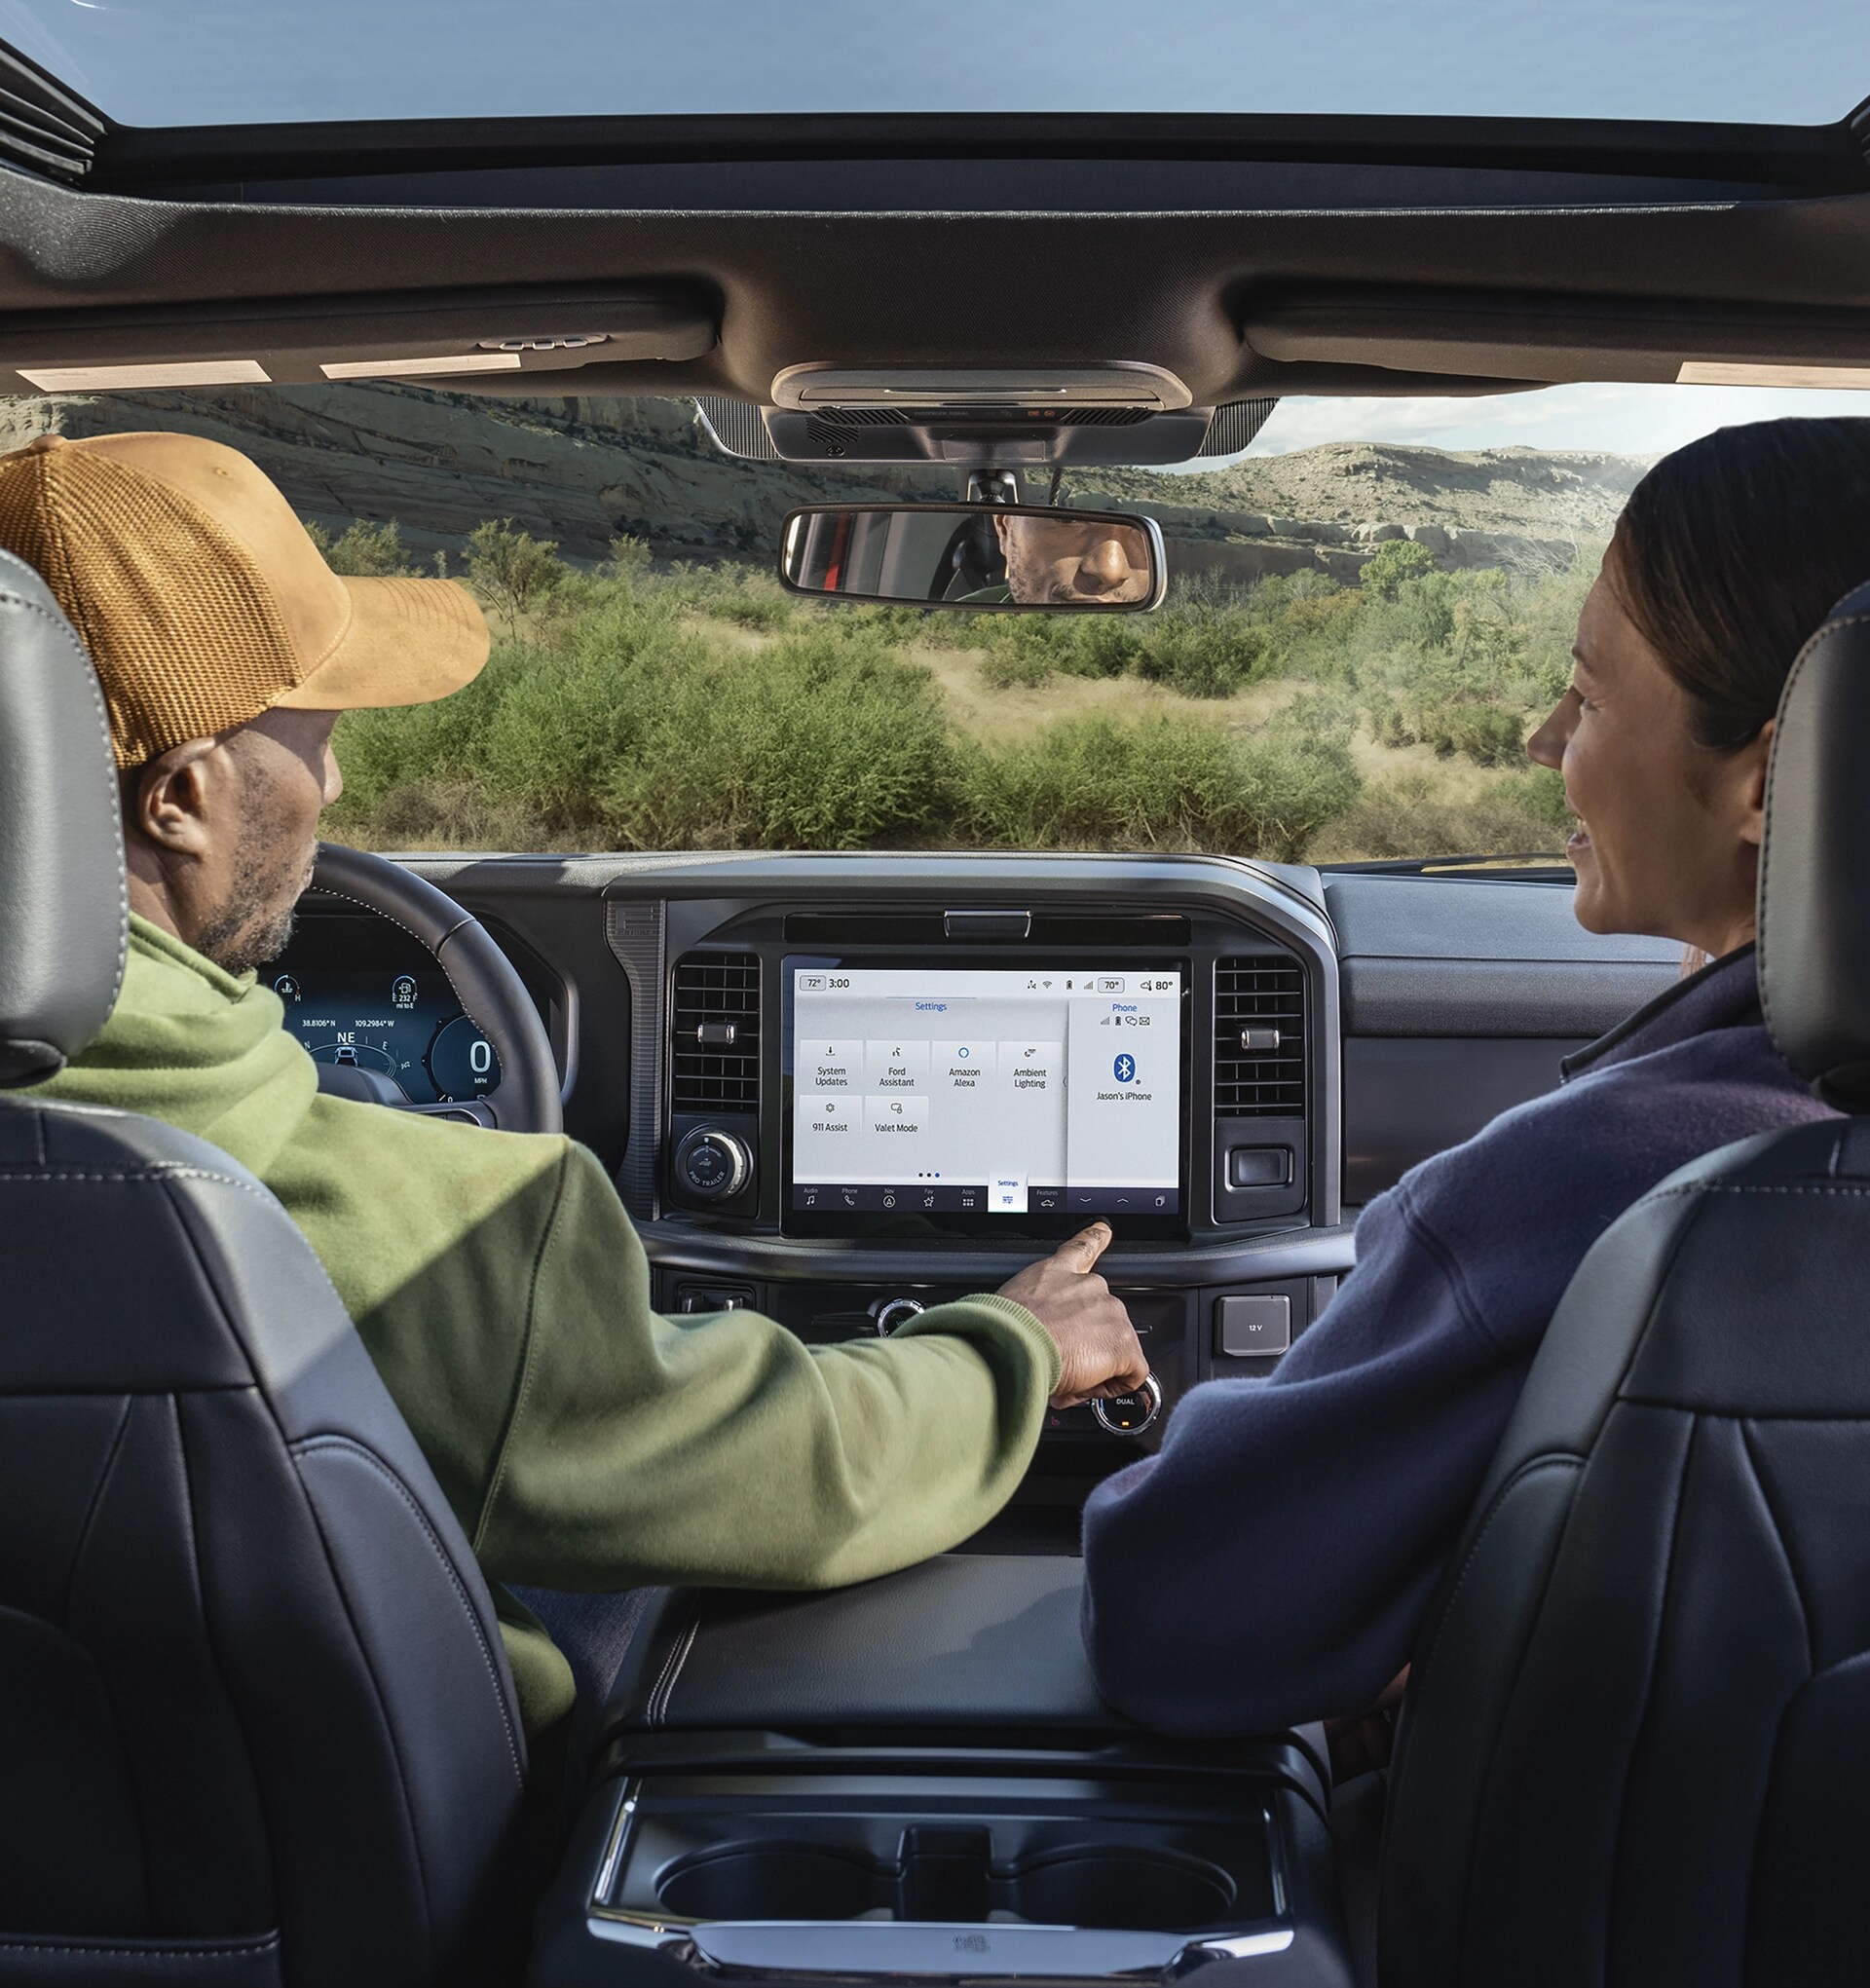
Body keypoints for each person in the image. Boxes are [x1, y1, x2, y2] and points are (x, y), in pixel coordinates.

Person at [8, 429, 1149, 1762]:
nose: (335, 782)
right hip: (358, 1924)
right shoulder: (449, 1232)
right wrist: (1010, 1348)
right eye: (310, 735)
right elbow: (778, 1475)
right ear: (185, 800)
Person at [1081, 418, 1869, 1747]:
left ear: (1768, 776)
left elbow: (1175, 1610)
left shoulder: (1601, 1184)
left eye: (1590, 694)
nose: (1537, 734)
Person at [961, 511, 1155, 605]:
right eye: (1068, 519)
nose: (1110, 571)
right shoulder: (953, 622)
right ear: (1005, 530)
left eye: (1141, 531)